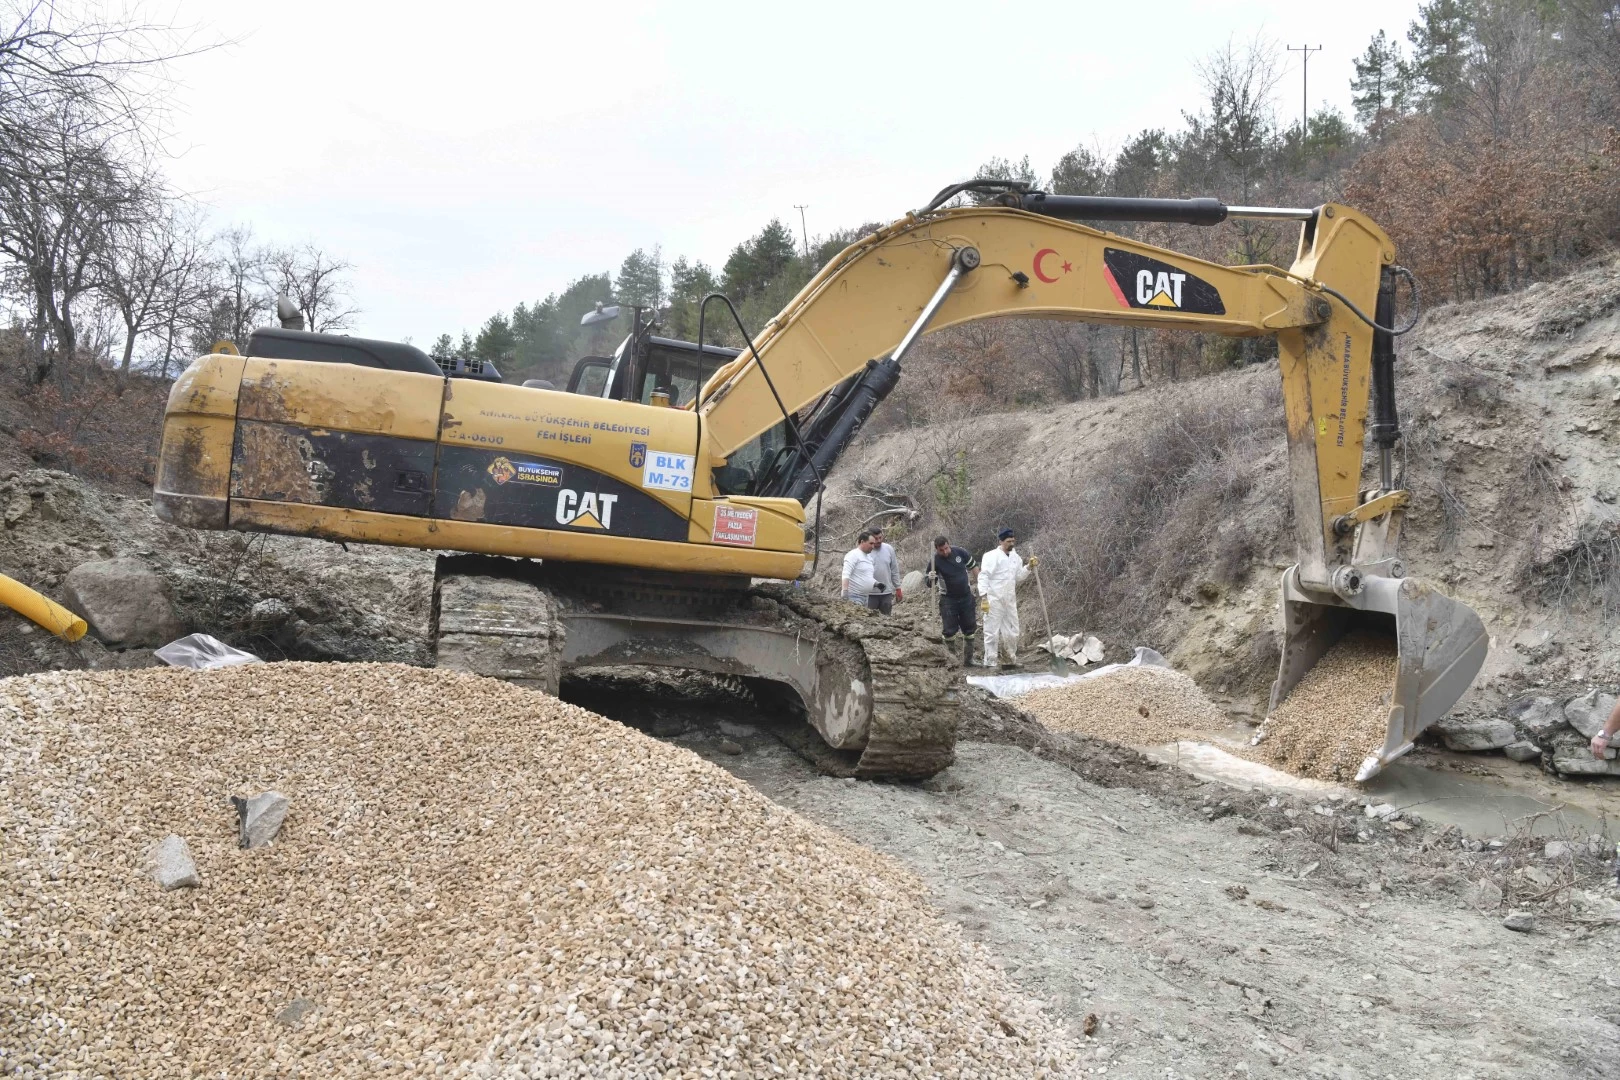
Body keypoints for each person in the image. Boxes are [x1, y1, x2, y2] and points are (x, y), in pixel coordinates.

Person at [978, 528, 1037, 669]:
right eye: (1008, 541)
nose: (1011, 543)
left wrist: (1029, 567)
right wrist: (984, 597)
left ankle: (1009, 660)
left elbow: (1018, 577)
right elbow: (984, 575)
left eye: (1013, 541)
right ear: (1001, 541)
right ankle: (990, 662)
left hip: (1009, 600)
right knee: (991, 632)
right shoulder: (991, 556)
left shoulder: (1015, 558)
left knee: (1012, 631)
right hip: (994, 600)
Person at [926, 535, 979, 666]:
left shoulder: (960, 552)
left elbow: (974, 566)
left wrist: (980, 584)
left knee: (970, 628)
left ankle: (969, 660)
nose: (944, 552)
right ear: (937, 549)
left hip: (966, 596)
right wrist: (930, 577)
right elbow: (928, 583)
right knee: (949, 631)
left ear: (949, 544)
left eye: (946, 548)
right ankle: (951, 661)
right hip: (948, 599)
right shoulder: (935, 561)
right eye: (941, 550)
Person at [868, 526, 902, 615]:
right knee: (870, 622)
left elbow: (894, 570)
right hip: (870, 594)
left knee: (887, 621)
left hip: (886, 593)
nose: (879, 540)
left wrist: (898, 588)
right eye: (876, 538)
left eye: (880, 537)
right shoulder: (866, 551)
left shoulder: (889, 549)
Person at [842, 531, 879, 608]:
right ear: (862, 542)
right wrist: (844, 591)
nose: (873, 547)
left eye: (874, 544)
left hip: (866, 597)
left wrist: (876, 584)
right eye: (871, 543)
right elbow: (846, 573)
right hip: (854, 596)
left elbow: (867, 576)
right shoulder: (853, 555)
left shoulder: (869, 558)